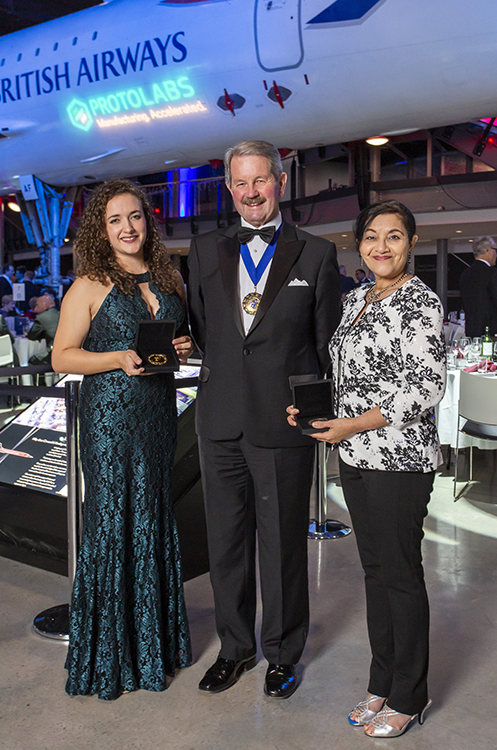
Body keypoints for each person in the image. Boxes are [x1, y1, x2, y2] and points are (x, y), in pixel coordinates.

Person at [188, 140, 341, 699]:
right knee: (226, 544)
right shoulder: (204, 250)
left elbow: (325, 347)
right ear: (229, 188)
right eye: (240, 183)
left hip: (284, 423)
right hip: (221, 421)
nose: (251, 192)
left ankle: (282, 654)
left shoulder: (316, 253)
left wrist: (319, 418)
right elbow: (206, 332)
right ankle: (234, 650)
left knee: (281, 547)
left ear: (280, 181)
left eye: (261, 181)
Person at [288, 200, 446, 737]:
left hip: (399, 459)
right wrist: (315, 409)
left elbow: (425, 387)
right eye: (372, 236)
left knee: (400, 575)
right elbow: (351, 375)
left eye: (394, 237)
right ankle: (382, 684)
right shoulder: (355, 299)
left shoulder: (419, 300)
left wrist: (352, 424)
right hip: (355, 454)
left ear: (411, 243)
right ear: (359, 243)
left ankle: (410, 695)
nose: (382, 246)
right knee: (375, 573)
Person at [52, 178, 193, 700]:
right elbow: (62, 355)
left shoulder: (169, 277)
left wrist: (183, 343)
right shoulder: (89, 283)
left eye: (134, 217)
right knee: (114, 523)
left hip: (157, 414)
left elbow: (183, 340)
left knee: (152, 515)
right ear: (101, 229)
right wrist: (115, 357)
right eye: (115, 220)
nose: (127, 227)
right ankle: (112, 655)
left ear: (146, 221)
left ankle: (153, 645)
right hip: (110, 418)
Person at [459, 235, 497, 337]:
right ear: (489, 250)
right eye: (495, 250)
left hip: (471, 330)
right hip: (490, 332)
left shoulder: (465, 274)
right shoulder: (491, 273)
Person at [27, 295, 60, 365]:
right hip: (68, 352)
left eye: (37, 305)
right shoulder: (62, 314)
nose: (35, 309)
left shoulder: (41, 318)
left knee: (32, 360)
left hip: (53, 354)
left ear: (45, 305)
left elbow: (32, 336)